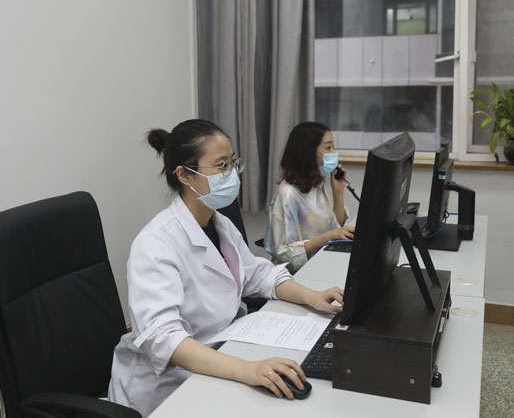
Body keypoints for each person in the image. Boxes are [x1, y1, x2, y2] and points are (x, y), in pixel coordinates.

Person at [108, 119, 344, 417]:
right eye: (221, 166)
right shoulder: (155, 243)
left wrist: (312, 296)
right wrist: (247, 370)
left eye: (233, 163)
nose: (232, 174)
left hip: (222, 354)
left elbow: (260, 274)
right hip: (169, 387)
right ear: (185, 175)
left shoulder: (219, 224)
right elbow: (164, 340)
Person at [264, 122, 355, 273]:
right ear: (309, 152)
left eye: (333, 146)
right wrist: (327, 237)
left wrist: (338, 192)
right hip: (296, 274)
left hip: (321, 264)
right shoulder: (287, 194)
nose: (333, 152)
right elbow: (284, 255)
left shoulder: (315, 186)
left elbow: (336, 227)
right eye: (328, 147)